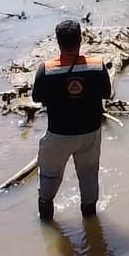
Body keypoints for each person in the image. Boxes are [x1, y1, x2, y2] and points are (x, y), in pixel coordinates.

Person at [32, 19, 113, 221]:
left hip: (59, 133)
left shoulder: (46, 69)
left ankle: (47, 224)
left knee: (49, 177)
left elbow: (36, 97)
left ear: (57, 42)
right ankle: (90, 223)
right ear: (81, 40)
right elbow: (106, 93)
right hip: (90, 133)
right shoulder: (97, 66)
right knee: (88, 176)